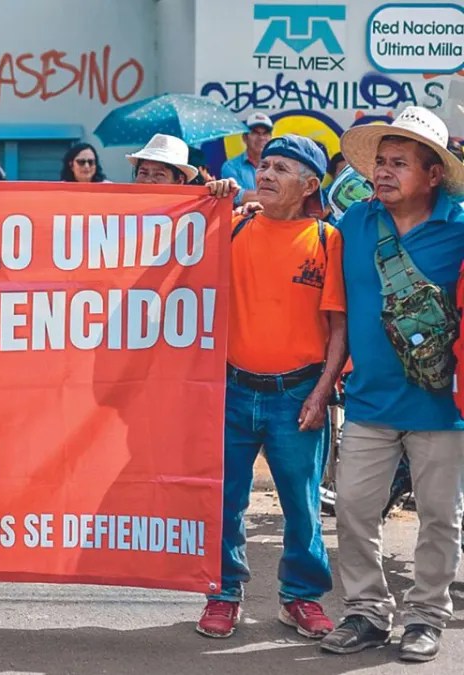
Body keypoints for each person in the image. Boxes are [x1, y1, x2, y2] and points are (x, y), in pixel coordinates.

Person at [319, 106, 464, 664]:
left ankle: (426, 615)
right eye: (379, 162)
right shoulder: (354, 223)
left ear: (433, 175)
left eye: (399, 163)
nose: (383, 173)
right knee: (354, 508)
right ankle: (366, 611)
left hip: (442, 409)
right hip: (368, 402)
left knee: (439, 517)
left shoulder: (460, 226)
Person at [197, 135, 346, 641]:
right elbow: (172, 239)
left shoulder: (328, 240)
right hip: (232, 389)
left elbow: (339, 327)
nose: (265, 174)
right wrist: (212, 195)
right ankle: (223, 594)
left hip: (298, 393)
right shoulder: (233, 225)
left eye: (282, 168)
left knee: (302, 504)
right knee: (225, 500)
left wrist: (322, 391)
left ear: (309, 185)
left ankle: (300, 598)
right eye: (264, 165)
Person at [220, 112, 274, 206]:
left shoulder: (278, 165)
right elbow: (236, 196)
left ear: (271, 137)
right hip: (244, 218)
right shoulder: (231, 166)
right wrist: (278, 196)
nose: (261, 138)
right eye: (255, 133)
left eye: (265, 133)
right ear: (245, 138)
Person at [126, 134, 199, 185]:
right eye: (143, 173)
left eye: (159, 174)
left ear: (179, 181)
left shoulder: (192, 207)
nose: (148, 181)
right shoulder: (124, 205)